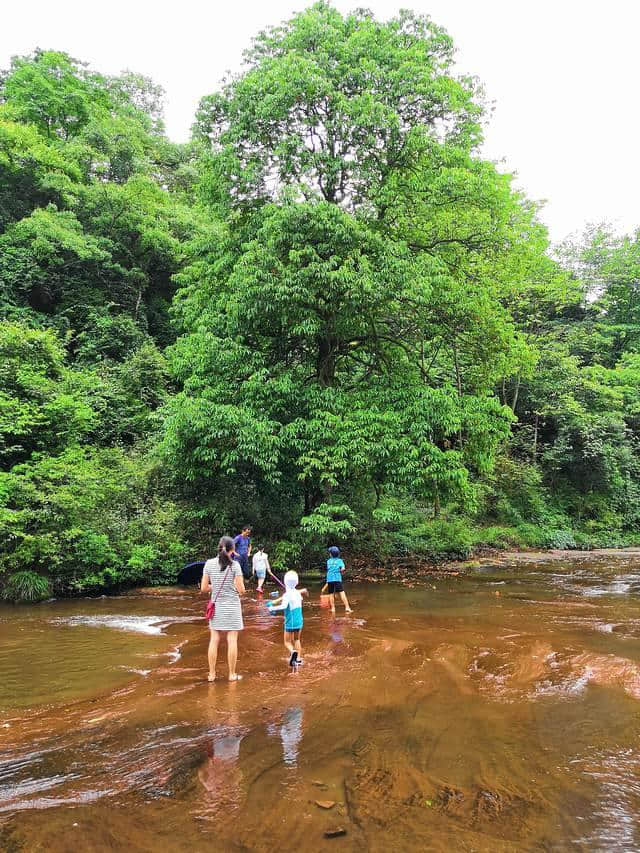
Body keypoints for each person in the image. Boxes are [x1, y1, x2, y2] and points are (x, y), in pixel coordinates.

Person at [201, 535, 245, 682]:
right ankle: (232, 674)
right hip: (232, 607)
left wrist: (215, 586)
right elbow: (241, 590)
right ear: (232, 550)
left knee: (214, 639)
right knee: (232, 639)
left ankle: (212, 674)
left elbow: (204, 588)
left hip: (216, 607)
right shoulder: (235, 565)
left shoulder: (209, 564)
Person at [266, 570, 304, 667]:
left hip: (290, 622)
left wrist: (272, 608)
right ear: (297, 582)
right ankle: (298, 659)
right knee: (296, 640)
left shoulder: (287, 595)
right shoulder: (298, 593)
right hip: (299, 621)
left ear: (285, 582)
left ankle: (293, 652)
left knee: (287, 642)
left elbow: (283, 606)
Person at [325, 546, 353, 615]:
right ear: (338, 554)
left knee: (331, 594)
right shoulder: (340, 561)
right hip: (337, 579)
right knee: (342, 593)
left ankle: (333, 609)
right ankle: (347, 607)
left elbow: (328, 569)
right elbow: (343, 568)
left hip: (330, 579)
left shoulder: (328, 561)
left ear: (331, 554)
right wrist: (341, 570)